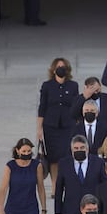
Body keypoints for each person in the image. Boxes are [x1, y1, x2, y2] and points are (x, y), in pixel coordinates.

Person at [37, 57, 79, 197]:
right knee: (53, 158)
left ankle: (65, 183)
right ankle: (55, 185)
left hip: (68, 126)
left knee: (66, 155)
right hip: (51, 126)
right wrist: (39, 129)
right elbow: (42, 108)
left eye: (63, 66)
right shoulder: (47, 86)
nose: (61, 68)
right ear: (53, 69)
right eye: (58, 66)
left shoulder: (73, 85)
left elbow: (75, 106)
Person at [55, 135, 105, 214]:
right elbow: (59, 188)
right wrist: (58, 211)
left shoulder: (98, 163)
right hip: (71, 210)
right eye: (76, 148)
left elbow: (104, 185)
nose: (79, 150)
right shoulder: (64, 163)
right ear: (72, 150)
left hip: (92, 209)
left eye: (82, 148)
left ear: (87, 148)